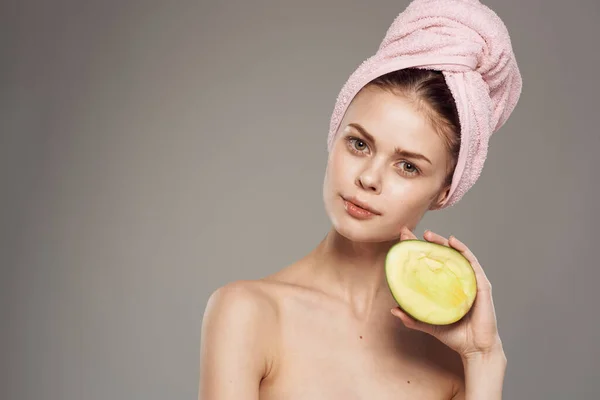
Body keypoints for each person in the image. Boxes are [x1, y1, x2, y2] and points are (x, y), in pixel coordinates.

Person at [198, 0, 522, 399]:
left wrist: (484, 357)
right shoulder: (246, 313)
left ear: (444, 191)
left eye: (408, 167)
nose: (368, 178)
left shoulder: (453, 357)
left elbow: (479, 358)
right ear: (333, 137)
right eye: (359, 144)